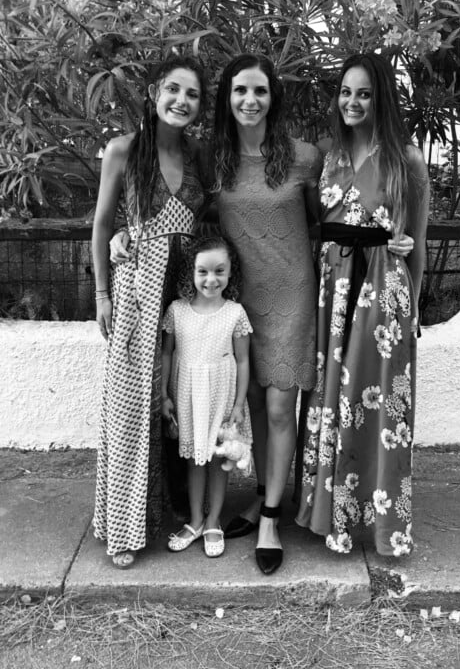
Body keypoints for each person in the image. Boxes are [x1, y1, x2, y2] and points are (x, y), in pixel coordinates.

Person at [295, 52, 429, 558]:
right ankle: (331, 514)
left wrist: (413, 310)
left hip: (381, 297)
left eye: (364, 93)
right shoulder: (325, 155)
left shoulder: (407, 161)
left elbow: (417, 241)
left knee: (372, 406)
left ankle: (378, 521)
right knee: (334, 401)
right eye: (345, 92)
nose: (352, 102)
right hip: (333, 293)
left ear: (382, 99)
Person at [91, 55, 207, 568]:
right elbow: (100, 226)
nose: (182, 101)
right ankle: (123, 527)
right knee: (132, 410)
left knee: (180, 403)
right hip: (138, 293)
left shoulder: (199, 156)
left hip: (187, 295)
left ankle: (174, 511)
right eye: (174, 90)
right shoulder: (123, 151)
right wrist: (101, 294)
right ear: (155, 93)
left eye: (194, 94)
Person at [212, 54, 323, 574]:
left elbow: (331, 219)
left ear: (273, 96)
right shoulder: (215, 160)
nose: (249, 101)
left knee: (281, 408)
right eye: (240, 91)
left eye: (259, 90)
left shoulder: (304, 157)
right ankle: (261, 494)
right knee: (254, 403)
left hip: (293, 294)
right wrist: (122, 234)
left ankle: (272, 519)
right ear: (227, 98)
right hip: (241, 301)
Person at [160, 235, 252, 558]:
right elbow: (167, 354)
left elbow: (242, 360)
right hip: (188, 397)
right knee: (194, 460)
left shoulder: (235, 313)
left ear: (230, 273)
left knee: (217, 460)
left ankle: (214, 520)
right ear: (192, 272)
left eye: (219, 271)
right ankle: (196, 520)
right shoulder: (177, 311)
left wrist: (239, 405)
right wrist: (164, 394)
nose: (211, 280)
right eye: (203, 271)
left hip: (222, 396)